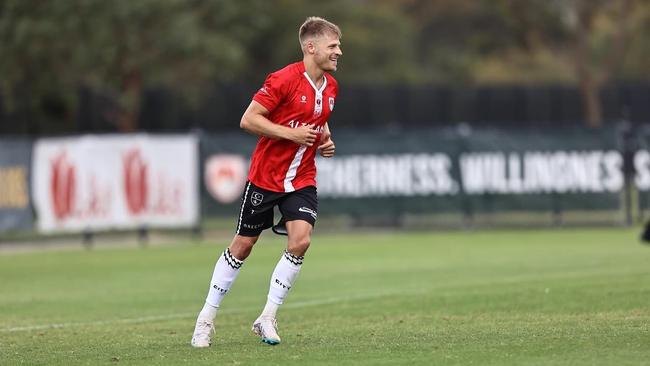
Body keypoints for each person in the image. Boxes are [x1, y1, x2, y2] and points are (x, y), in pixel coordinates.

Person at [191, 16, 342, 347]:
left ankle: (267, 317)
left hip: (301, 179)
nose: (338, 52)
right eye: (333, 46)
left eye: (338, 46)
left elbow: (319, 123)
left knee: (301, 241)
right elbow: (249, 119)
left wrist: (324, 141)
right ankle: (205, 319)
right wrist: (291, 133)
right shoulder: (283, 79)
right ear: (311, 47)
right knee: (243, 246)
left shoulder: (331, 87)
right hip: (266, 179)